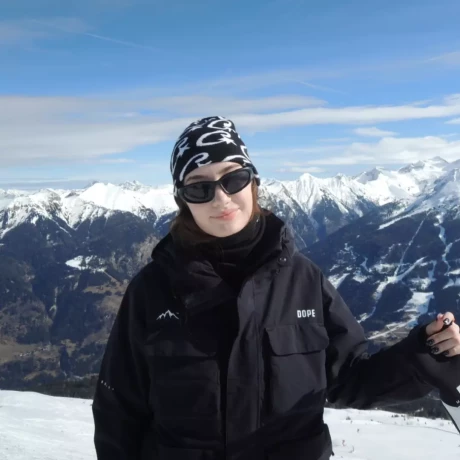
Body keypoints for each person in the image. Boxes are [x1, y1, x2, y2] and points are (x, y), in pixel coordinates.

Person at [92, 116, 460, 460]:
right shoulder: (152, 291)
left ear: (253, 182)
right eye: (200, 188)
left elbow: (351, 378)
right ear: (182, 200)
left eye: (233, 179)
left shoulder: (304, 280)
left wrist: (422, 356)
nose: (221, 198)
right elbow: (118, 412)